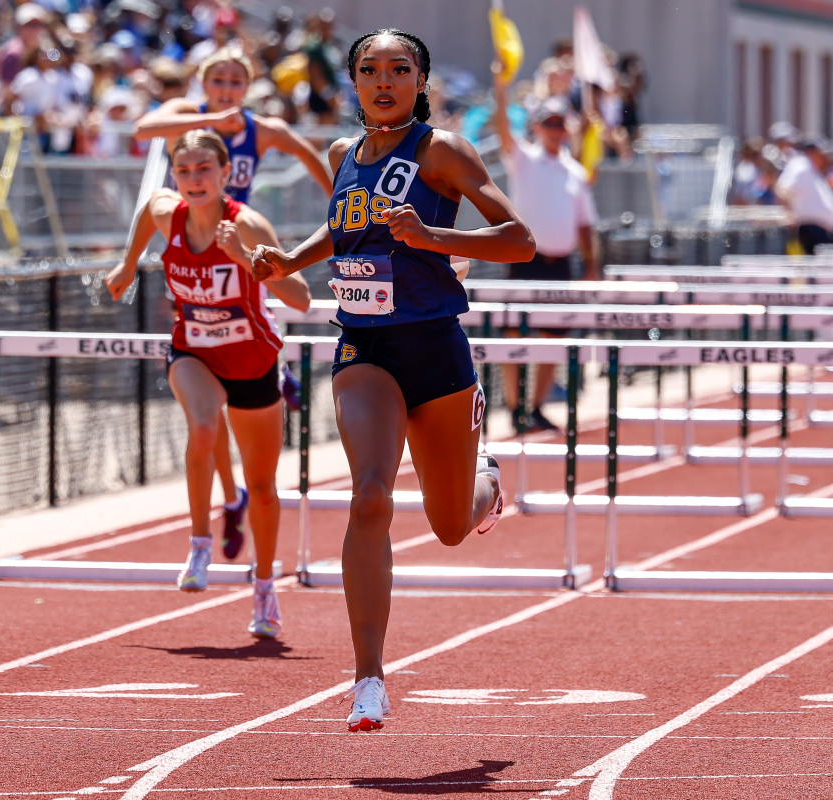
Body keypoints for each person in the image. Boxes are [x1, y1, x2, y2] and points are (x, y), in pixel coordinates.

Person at [250, 28, 535, 731]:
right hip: (364, 345)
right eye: (369, 70)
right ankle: (368, 679)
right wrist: (288, 261)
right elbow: (343, 232)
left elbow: (520, 240)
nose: (384, 81)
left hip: (436, 350)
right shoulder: (343, 154)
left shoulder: (442, 152)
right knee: (370, 493)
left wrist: (436, 238)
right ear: (352, 82)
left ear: (420, 80)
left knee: (447, 527)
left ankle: (487, 482)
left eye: (398, 69)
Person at [104, 129, 311, 638]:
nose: (193, 180)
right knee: (202, 426)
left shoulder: (248, 223)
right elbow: (147, 207)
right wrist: (128, 264)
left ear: (225, 175)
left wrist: (245, 258)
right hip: (193, 351)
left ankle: (264, 586)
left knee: (262, 489)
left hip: (252, 360)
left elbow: (301, 296)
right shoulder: (166, 214)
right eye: (184, 171)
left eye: (204, 170)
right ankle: (200, 543)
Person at [134, 45, 333, 558]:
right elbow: (143, 128)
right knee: (206, 414)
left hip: (236, 228)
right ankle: (227, 498)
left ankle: (271, 361)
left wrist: (339, 196)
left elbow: (303, 149)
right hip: (194, 234)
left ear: (247, 87)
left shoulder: (258, 128)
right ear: (204, 84)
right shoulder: (190, 116)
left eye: (234, 83)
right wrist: (124, 263)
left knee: (247, 306)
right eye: (216, 81)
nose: (226, 91)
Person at [491, 65, 599, 433]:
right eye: (548, 122)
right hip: (525, 260)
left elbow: (586, 223)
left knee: (554, 339)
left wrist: (592, 263)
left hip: (560, 264)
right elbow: (502, 128)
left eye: (559, 123)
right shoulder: (523, 158)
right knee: (514, 336)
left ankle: (534, 406)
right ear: (537, 127)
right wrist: (500, 86)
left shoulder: (575, 171)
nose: (555, 129)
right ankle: (514, 405)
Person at [774, 136, 833, 255]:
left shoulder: (810, 168)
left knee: (820, 269)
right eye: (821, 154)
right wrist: (789, 212)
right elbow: (783, 189)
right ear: (812, 152)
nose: (825, 158)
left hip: (818, 228)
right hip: (810, 227)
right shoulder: (801, 165)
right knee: (815, 268)